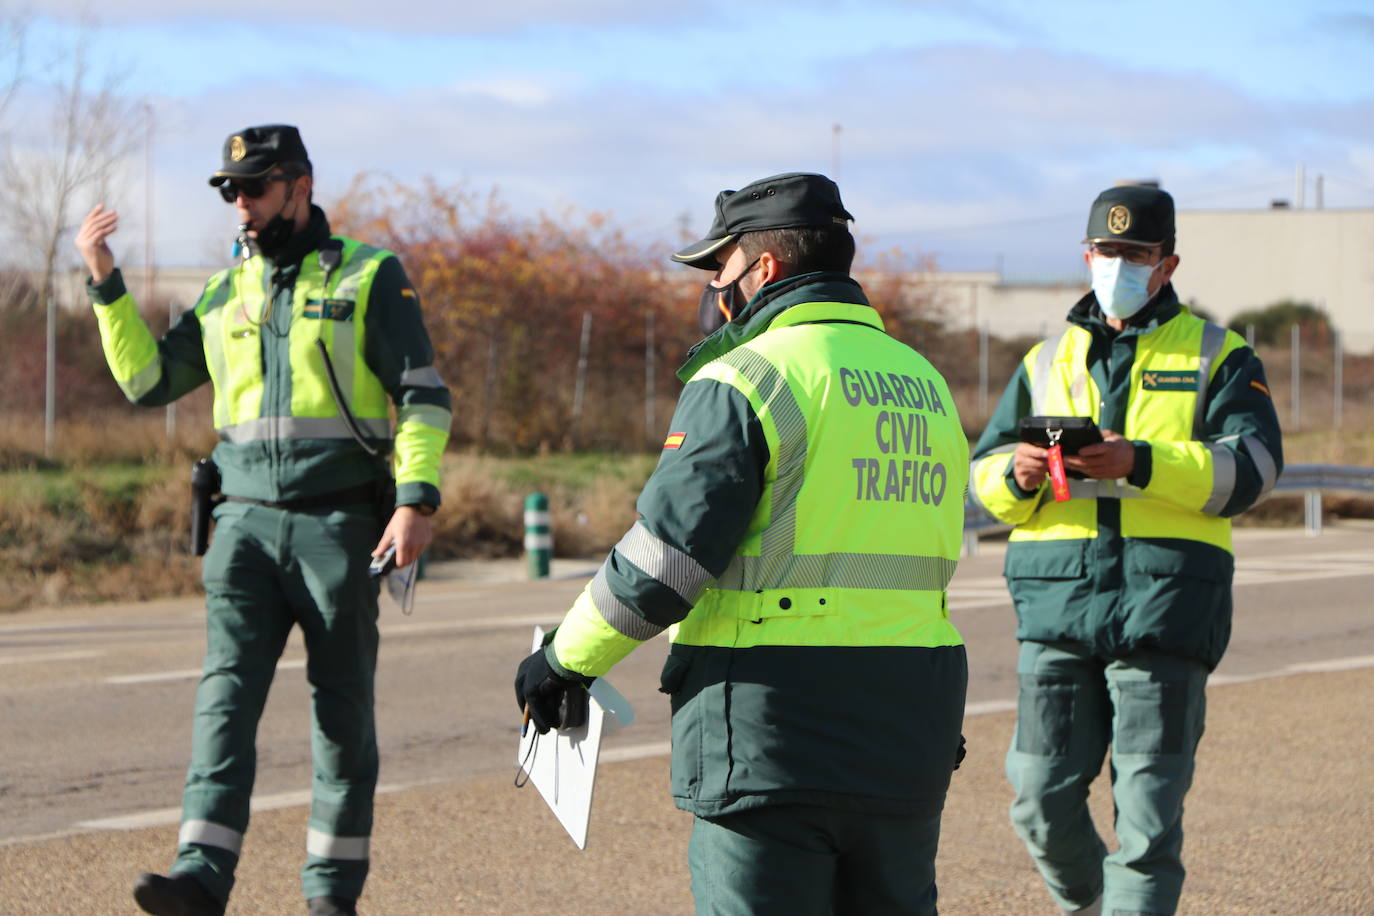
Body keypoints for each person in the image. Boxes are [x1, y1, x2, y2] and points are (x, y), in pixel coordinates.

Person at [514, 173, 969, 914]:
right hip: (908, 730)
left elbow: (663, 563)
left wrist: (564, 659)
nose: (712, 288)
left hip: (775, 731)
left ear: (764, 269)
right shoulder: (925, 383)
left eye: (718, 268)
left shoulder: (749, 376)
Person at [75, 124, 452, 916]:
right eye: (230, 191)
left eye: (254, 187)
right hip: (242, 526)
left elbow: (422, 394)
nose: (239, 204)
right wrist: (104, 282)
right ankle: (201, 879)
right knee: (223, 704)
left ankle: (329, 897)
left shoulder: (370, 276)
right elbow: (147, 381)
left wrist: (415, 499)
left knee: (340, 718)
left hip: (340, 527)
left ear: (299, 186)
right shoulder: (221, 293)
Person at [969, 184, 1282, 916]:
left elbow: (1257, 468)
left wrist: (1140, 461)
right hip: (1055, 607)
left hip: (1165, 612)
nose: (1119, 264)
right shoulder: (1044, 359)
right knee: (1038, 802)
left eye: (1135, 253)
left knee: (1145, 829)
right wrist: (1015, 474)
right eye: (1106, 252)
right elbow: (983, 476)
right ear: (1086, 256)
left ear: (1166, 264)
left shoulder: (1221, 355)